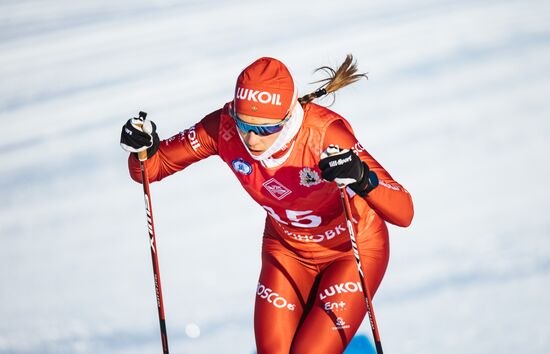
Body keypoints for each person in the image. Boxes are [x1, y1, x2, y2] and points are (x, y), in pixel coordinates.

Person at [120, 55, 414, 353]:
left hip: (351, 253)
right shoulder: (222, 128)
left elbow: (404, 212)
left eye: (265, 129)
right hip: (286, 250)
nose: (251, 139)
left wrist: (362, 177)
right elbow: (151, 169)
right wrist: (142, 148)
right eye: (244, 124)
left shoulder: (324, 135)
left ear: (288, 117)